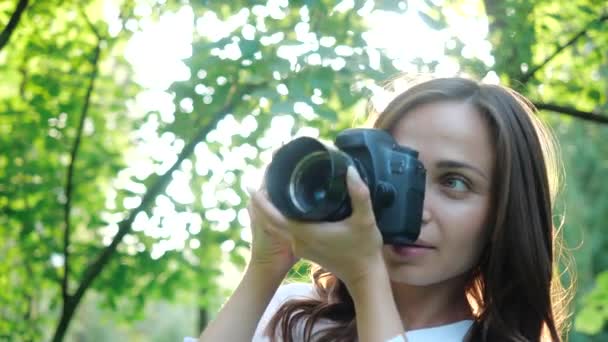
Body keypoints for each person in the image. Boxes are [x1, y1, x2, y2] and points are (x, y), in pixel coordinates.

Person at [195, 76, 573, 342]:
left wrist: (366, 277)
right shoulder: (291, 314)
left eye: (454, 182)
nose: (416, 207)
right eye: (398, 172)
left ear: (504, 212)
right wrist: (264, 268)